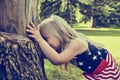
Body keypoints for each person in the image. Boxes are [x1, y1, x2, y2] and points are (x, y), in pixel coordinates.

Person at [26, 15, 120, 80]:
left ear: (58, 34)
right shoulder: (65, 45)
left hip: (105, 72)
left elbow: (57, 60)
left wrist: (39, 39)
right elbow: (48, 54)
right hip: (95, 72)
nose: (45, 43)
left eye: (46, 38)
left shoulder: (76, 44)